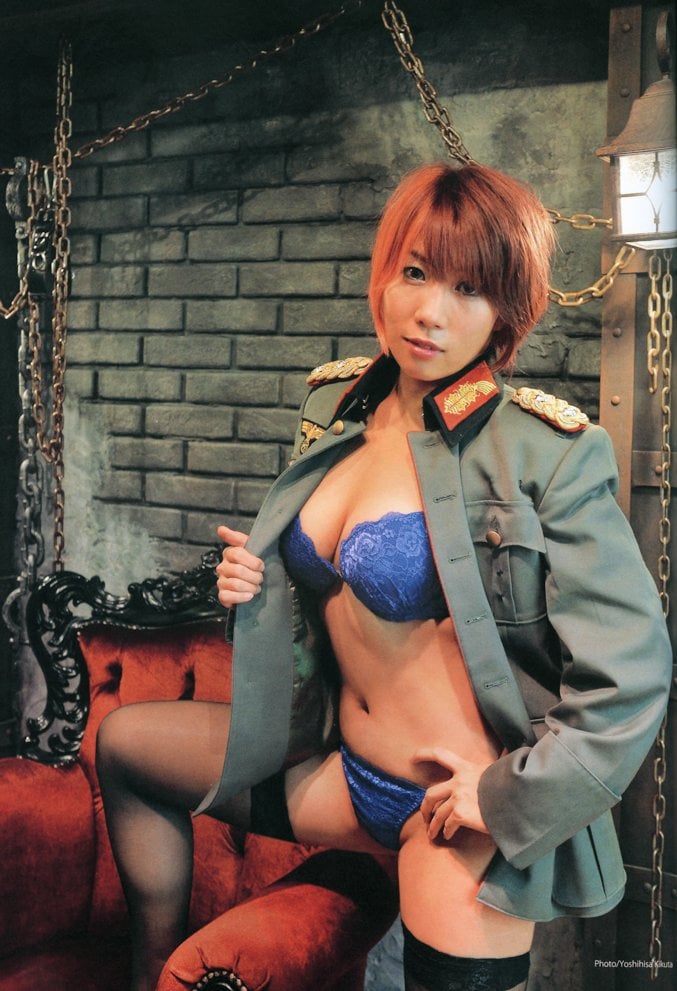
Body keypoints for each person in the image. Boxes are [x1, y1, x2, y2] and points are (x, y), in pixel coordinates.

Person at [96, 162, 672, 991]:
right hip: (333, 769)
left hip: (451, 807)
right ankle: (150, 970)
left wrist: (507, 797)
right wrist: (254, 588)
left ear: (506, 312)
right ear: (383, 273)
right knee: (126, 745)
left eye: (469, 290)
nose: (430, 311)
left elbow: (633, 670)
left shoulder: (543, 451)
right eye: (415, 272)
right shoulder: (332, 410)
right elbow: (328, 614)